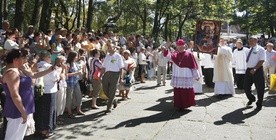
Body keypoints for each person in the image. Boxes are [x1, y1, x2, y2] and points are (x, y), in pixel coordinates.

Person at [1, 49, 54, 140]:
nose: (25, 60)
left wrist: (49, 70)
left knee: (19, 136)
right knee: (13, 137)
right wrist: (23, 111)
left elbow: (33, 75)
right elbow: (15, 95)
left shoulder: (19, 69)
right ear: (15, 60)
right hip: (16, 110)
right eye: (22, 58)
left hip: (22, 108)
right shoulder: (12, 73)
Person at [164, 39, 200, 110]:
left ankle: (187, 104)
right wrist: (166, 49)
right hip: (177, 75)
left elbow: (193, 66)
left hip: (186, 75)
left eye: (181, 46)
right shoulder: (175, 54)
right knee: (178, 92)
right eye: (178, 46)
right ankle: (179, 105)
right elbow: (168, 57)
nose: (180, 48)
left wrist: (196, 75)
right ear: (177, 46)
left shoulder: (189, 54)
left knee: (187, 91)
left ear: (185, 46)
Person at [34, 51, 60, 138]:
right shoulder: (49, 67)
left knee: (39, 110)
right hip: (49, 90)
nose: (50, 59)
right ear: (46, 57)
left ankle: (39, 129)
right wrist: (59, 74)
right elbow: (55, 78)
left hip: (39, 89)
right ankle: (46, 130)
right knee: (49, 111)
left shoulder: (36, 65)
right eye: (49, 58)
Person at [102, 42, 124, 114]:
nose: (109, 49)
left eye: (110, 47)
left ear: (114, 48)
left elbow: (121, 68)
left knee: (112, 91)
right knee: (105, 90)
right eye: (108, 48)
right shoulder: (107, 56)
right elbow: (103, 66)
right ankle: (114, 100)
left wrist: (121, 78)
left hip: (115, 74)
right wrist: (101, 75)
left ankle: (108, 108)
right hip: (106, 74)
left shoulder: (118, 56)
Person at [244, 36, 265, 110]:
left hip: (257, 70)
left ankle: (259, 103)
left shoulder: (260, 49)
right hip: (249, 70)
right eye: (249, 41)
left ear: (256, 41)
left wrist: (255, 69)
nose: (250, 42)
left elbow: (262, 60)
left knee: (260, 88)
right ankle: (251, 98)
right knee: (246, 87)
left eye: (252, 41)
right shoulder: (249, 49)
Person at [66, 51, 85, 118]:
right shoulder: (68, 64)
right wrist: (76, 73)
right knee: (69, 97)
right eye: (76, 56)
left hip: (76, 81)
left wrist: (80, 73)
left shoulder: (75, 63)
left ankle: (78, 109)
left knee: (79, 95)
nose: (77, 57)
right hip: (69, 83)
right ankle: (69, 112)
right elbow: (66, 74)